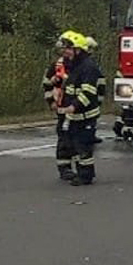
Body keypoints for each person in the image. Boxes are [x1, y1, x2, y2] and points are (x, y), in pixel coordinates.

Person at [60, 32, 102, 186]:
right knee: (75, 145)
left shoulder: (88, 67)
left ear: (78, 50)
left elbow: (88, 92)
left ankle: (86, 176)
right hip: (75, 115)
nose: (66, 51)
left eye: (69, 48)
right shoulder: (75, 65)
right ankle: (81, 172)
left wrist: (73, 106)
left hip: (85, 115)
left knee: (83, 146)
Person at [43, 31, 78, 180]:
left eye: (68, 48)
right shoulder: (57, 65)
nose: (65, 51)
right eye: (63, 48)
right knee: (64, 137)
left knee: (78, 138)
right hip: (63, 107)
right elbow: (46, 84)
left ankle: (80, 167)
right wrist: (51, 102)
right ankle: (64, 167)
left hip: (78, 107)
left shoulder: (82, 64)